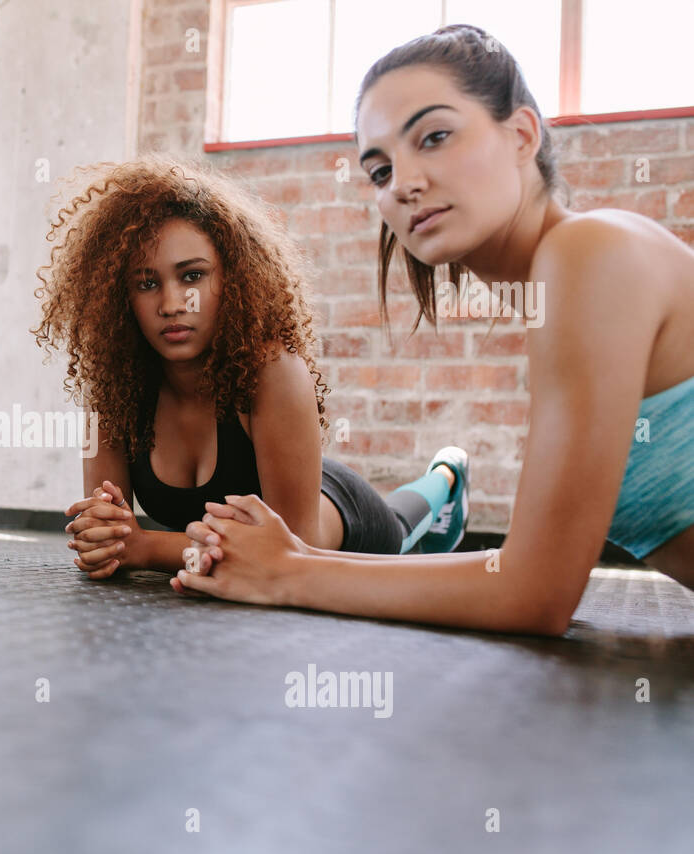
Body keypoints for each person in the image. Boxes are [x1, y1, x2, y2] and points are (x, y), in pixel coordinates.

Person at [175, 24, 694, 633]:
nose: (404, 184)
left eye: (435, 137)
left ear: (522, 135)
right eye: (379, 170)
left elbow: (535, 592)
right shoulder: (565, 281)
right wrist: (297, 560)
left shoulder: (591, 250)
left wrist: (290, 570)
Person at [31, 156, 469, 578]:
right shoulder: (116, 386)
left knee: (403, 524)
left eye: (192, 276)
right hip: (238, 544)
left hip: (335, 519)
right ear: (120, 298)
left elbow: (293, 554)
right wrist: (102, 541)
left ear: (233, 278)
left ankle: (446, 477)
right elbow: (111, 531)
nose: (170, 304)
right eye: (147, 284)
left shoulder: (272, 370)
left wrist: (145, 547)